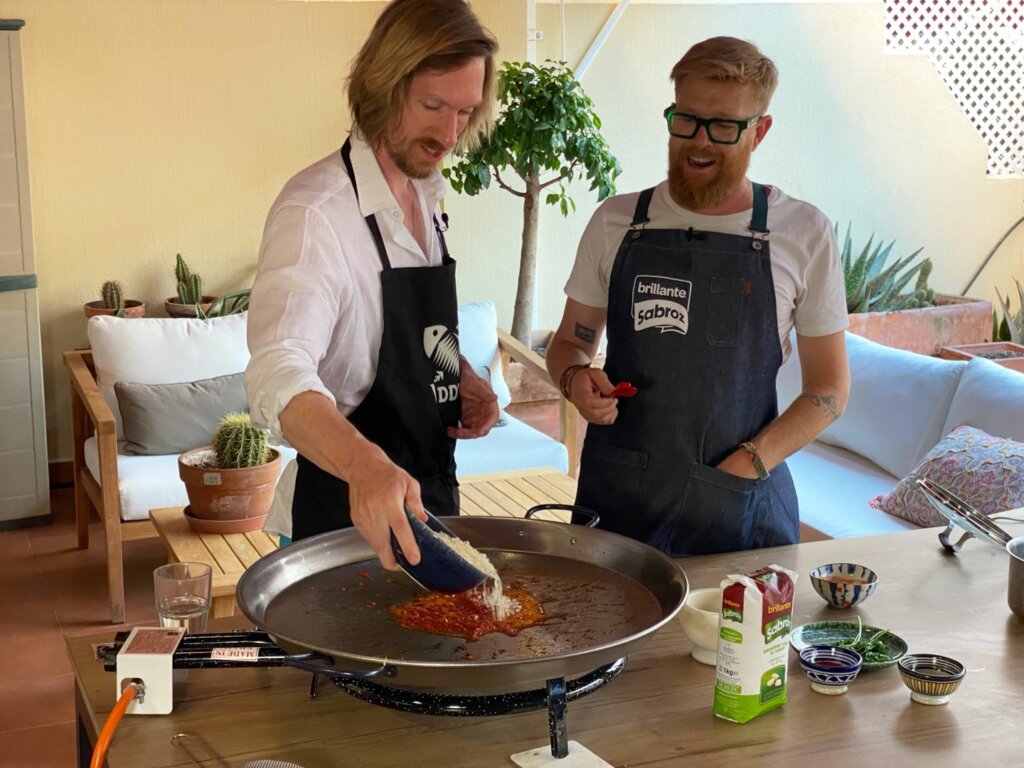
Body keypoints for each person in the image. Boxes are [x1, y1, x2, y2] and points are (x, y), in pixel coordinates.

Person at [546, 36, 851, 556]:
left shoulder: (802, 233)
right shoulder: (615, 222)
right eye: (686, 119)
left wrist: (749, 462)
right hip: (621, 506)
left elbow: (829, 390)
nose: (700, 141)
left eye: (724, 126)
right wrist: (575, 380)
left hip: (739, 508)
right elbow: (567, 345)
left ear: (760, 132)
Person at [245, 0, 500, 570]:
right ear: (383, 86)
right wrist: (364, 465)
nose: (450, 133)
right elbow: (278, 366)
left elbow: (402, 338)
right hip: (341, 518)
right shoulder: (317, 213)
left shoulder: (425, 194)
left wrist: (457, 375)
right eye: (433, 106)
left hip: (432, 499)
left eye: (465, 111)